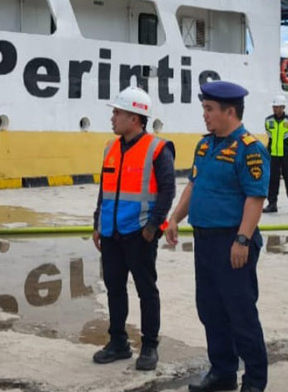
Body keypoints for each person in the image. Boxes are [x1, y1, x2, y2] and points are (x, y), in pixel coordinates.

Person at [166, 81, 270, 392]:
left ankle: (254, 381)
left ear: (230, 111)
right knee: (210, 309)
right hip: (205, 241)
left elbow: (255, 198)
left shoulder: (250, 148)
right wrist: (174, 218)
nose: (205, 115)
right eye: (204, 109)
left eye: (209, 109)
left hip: (232, 242)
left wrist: (242, 240)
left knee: (240, 313)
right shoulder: (204, 145)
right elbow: (193, 185)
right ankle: (222, 372)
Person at [91, 86, 176, 371]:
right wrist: (97, 223)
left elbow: (167, 190)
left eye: (117, 112)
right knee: (115, 289)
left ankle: (149, 346)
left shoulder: (157, 149)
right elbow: (105, 189)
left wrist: (153, 227)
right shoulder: (110, 147)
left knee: (146, 291)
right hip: (112, 233)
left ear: (135, 118)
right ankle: (118, 342)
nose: (112, 117)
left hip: (139, 234)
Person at [263, 94, 288, 215]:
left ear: (283, 107)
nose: (275, 109)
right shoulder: (268, 121)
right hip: (273, 155)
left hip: (286, 155)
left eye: (278, 107)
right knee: (272, 180)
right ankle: (272, 204)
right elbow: (269, 137)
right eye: (274, 107)